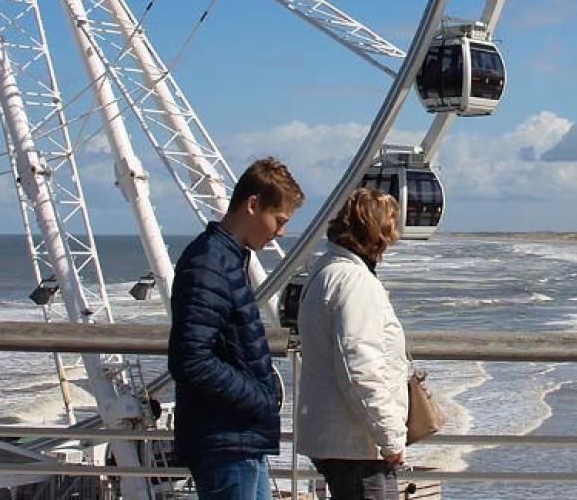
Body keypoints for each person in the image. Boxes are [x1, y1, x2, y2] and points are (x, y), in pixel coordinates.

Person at [169, 158, 305, 500]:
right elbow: (190, 359)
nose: (280, 232)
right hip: (226, 439)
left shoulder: (224, 259)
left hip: (237, 437)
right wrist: (258, 396)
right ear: (253, 204)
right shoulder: (209, 263)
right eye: (279, 220)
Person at [296, 187, 410, 500]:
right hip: (355, 444)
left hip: (340, 440)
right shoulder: (355, 282)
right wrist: (390, 435)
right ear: (377, 233)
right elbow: (359, 367)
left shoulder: (325, 271)